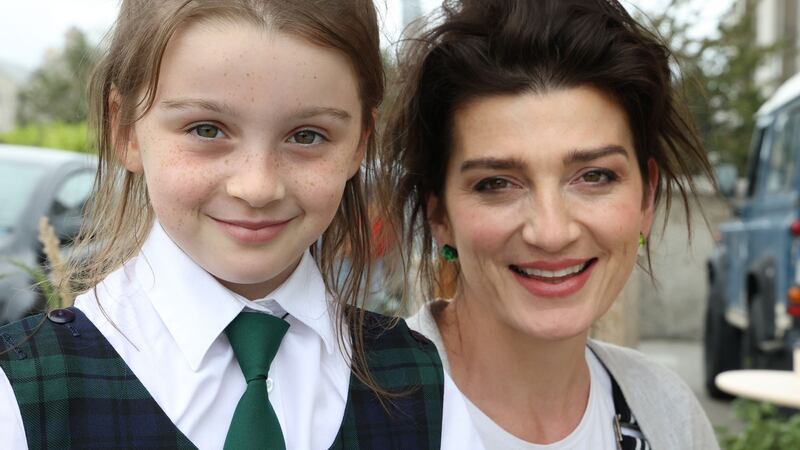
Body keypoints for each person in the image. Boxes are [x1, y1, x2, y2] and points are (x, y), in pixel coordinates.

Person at [0, 1, 449, 449]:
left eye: (307, 135)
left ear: (358, 145)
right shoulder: (19, 397)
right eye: (206, 129)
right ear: (126, 130)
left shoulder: (425, 381)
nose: (257, 187)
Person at [383, 0, 720, 448]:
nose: (551, 231)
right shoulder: (349, 413)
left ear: (646, 197)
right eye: (496, 183)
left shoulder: (668, 413)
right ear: (439, 214)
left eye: (595, 176)